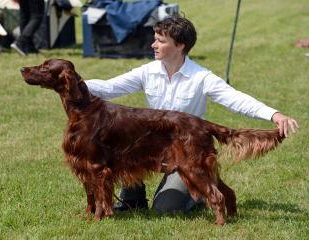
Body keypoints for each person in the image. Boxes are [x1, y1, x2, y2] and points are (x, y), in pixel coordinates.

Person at [85, 15, 299, 213]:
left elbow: (235, 99)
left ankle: (199, 193)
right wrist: (72, 82)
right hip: (152, 148)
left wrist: (274, 115)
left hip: (187, 151)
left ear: (180, 45)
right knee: (124, 139)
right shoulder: (147, 72)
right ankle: (133, 198)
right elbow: (109, 88)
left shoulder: (201, 77)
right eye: (155, 39)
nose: (153, 45)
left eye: (160, 40)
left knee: (166, 208)